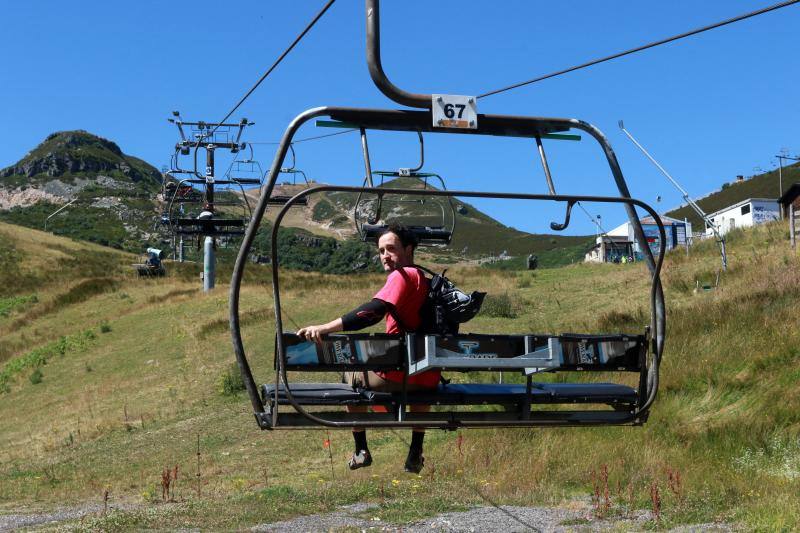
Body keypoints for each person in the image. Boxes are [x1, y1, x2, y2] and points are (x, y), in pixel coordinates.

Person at [297, 224, 438, 473]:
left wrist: (326, 327)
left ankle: (361, 449)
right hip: (428, 378)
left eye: (391, 249)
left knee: (351, 371)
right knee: (419, 369)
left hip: (396, 376)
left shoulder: (403, 276)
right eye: (381, 251)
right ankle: (416, 450)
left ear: (408, 249)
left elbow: (372, 312)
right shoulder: (427, 281)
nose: (385, 255)